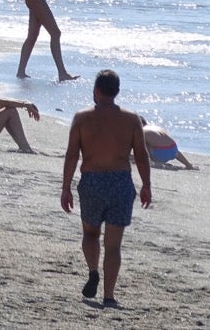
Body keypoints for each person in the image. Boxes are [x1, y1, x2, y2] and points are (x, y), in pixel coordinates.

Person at [60, 70, 152, 308]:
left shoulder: (81, 118)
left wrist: (66, 188)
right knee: (113, 245)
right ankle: (109, 296)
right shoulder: (132, 119)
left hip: (92, 181)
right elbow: (141, 156)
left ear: (96, 90)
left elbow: (72, 155)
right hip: (120, 183)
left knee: (90, 234)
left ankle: (93, 271)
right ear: (117, 91)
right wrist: (146, 186)